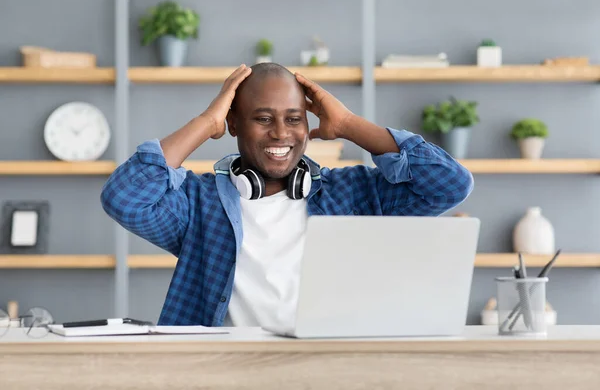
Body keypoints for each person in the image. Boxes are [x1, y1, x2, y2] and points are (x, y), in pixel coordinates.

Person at [100, 62, 474, 327]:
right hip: (219, 372)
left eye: (294, 119)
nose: (281, 133)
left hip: (324, 369)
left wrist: (347, 124)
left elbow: (450, 184)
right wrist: (205, 124)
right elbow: (123, 197)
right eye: (263, 119)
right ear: (234, 124)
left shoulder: (353, 194)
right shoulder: (198, 204)